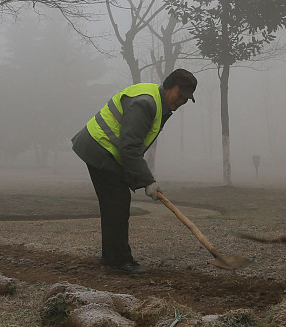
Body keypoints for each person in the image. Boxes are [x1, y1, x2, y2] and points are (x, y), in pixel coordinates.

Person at [71, 69, 198, 274]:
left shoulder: (159, 103)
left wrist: (140, 178)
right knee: (117, 203)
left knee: (116, 203)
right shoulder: (145, 103)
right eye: (180, 94)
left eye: (187, 97)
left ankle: (111, 257)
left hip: (107, 150)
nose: (182, 100)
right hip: (99, 148)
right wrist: (148, 181)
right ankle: (118, 262)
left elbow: (132, 147)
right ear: (168, 86)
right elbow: (129, 147)